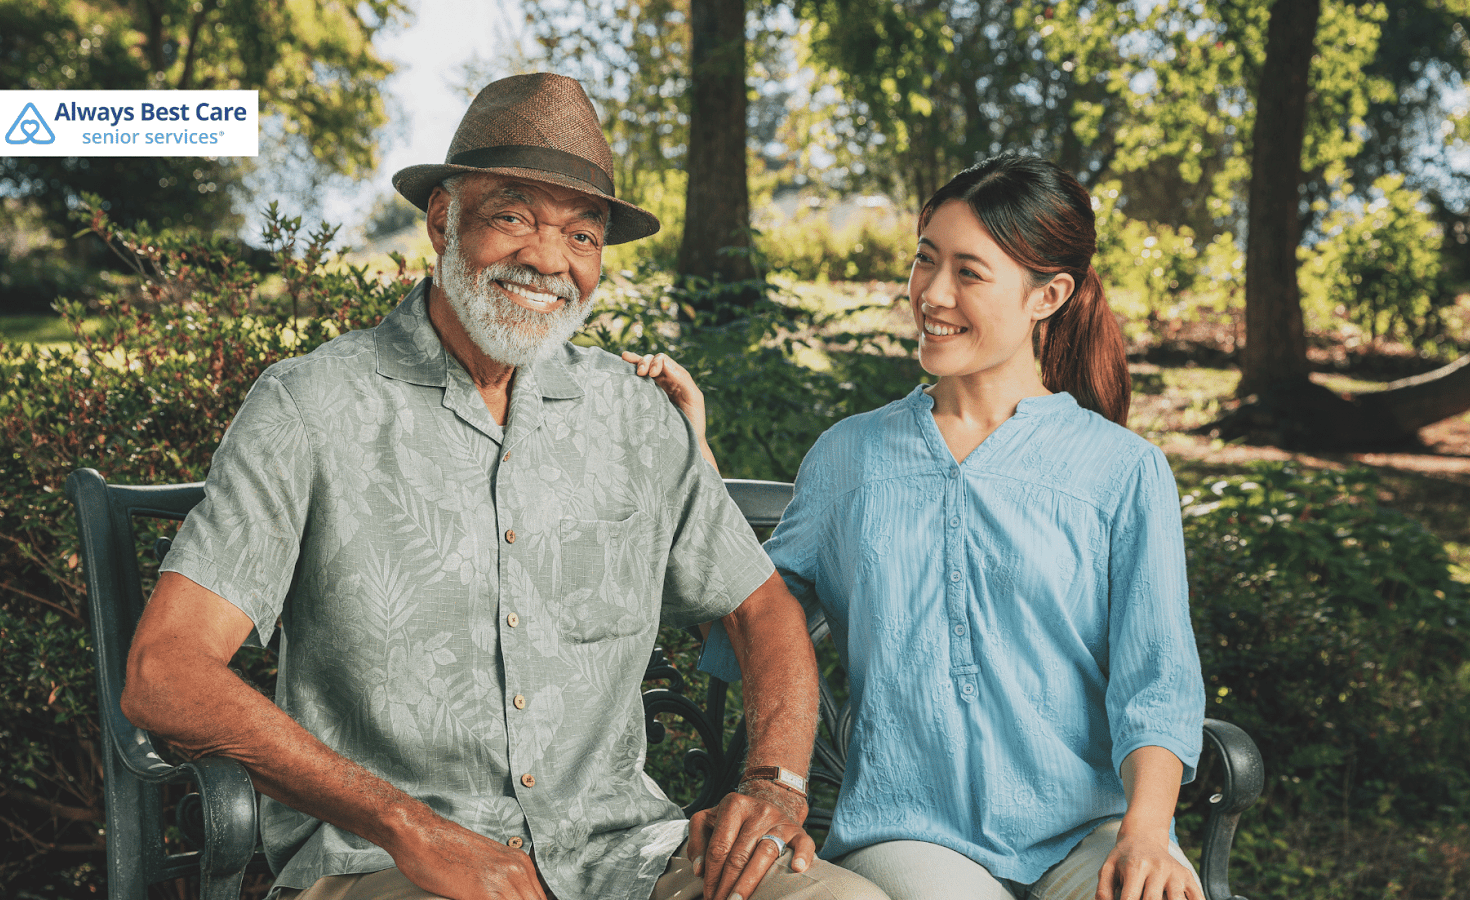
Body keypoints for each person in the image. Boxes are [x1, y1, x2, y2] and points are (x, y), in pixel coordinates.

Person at [119, 73, 886, 900]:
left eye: (582, 235)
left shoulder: (632, 416)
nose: (549, 261)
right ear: (444, 221)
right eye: (513, 216)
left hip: (625, 857)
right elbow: (164, 673)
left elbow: (760, 607)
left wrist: (774, 783)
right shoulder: (312, 407)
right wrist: (409, 827)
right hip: (388, 866)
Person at [646, 154, 1206, 900]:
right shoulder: (849, 458)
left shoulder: (1124, 471)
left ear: (1050, 294)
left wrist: (1145, 832)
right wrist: (698, 465)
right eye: (925, 260)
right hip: (912, 831)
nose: (932, 294)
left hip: (1093, 830)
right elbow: (752, 614)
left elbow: (1157, 685)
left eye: (969, 273)